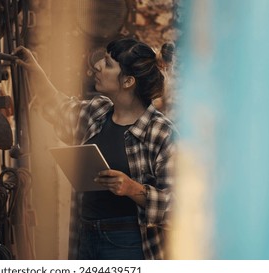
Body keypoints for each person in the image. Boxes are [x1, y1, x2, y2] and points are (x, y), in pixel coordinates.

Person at [13, 37, 176, 260]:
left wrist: (132, 189)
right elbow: (58, 107)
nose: (97, 65)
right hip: (86, 235)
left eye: (108, 64)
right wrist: (35, 71)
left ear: (128, 81)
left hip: (129, 244)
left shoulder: (161, 133)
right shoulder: (97, 112)